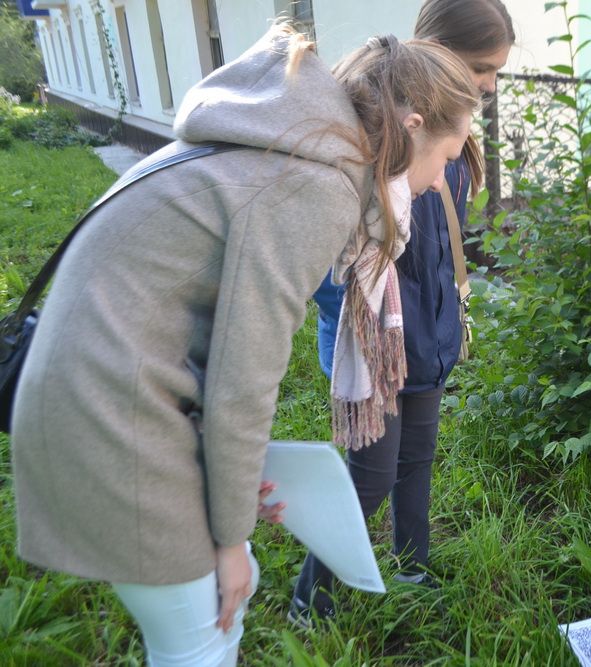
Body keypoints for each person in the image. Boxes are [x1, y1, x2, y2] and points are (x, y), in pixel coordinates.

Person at [10, 24, 479, 667]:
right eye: (450, 155)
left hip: (111, 386)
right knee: (205, 631)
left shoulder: (297, 142)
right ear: (417, 125)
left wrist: (229, 510)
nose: (439, 181)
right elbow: (245, 374)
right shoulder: (317, 183)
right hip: (114, 407)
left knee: (227, 599)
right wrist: (229, 538)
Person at [291, 0, 515, 623]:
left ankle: (412, 562)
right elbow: (336, 272)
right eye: (481, 67)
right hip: (378, 353)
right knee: (369, 478)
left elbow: (444, 261)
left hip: (430, 343)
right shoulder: (365, 162)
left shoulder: (452, 147)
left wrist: (440, 333)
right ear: (435, 55)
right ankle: (312, 597)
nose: (491, 84)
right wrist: (375, 336)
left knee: (416, 460)